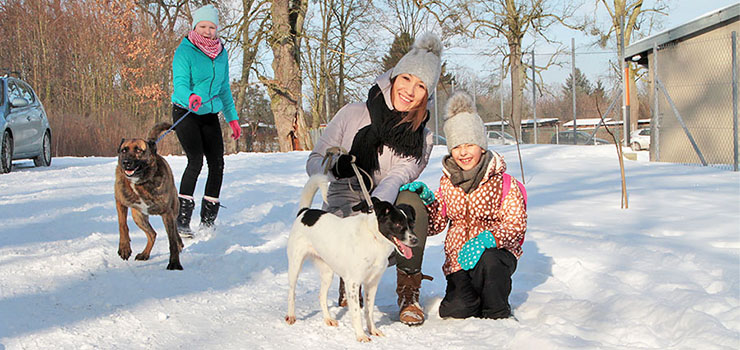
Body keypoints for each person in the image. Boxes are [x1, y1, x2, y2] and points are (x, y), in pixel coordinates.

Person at [305, 32, 442, 325]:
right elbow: (313, 163)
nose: (409, 90)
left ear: (426, 96)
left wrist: (378, 206)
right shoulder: (352, 113)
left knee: (413, 203)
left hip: (385, 205)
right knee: (345, 216)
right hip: (347, 198)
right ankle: (348, 270)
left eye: (420, 86)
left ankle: (408, 292)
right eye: (406, 79)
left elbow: (400, 174)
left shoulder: (423, 138)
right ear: (393, 77)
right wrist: (334, 167)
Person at [405, 91, 527, 319]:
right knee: (455, 310)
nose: (463, 152)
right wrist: (427, 202)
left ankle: (497, 311)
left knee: (489, 262)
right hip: (459, 259)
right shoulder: (448, 181)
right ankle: (474, 299)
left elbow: (516, 224)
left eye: (470, 144)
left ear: (481, 146)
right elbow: (437, 224)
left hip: (495, 257)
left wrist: (487, 239)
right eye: (457, 146)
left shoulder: (503, 182)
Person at [171, 4, 242, 237]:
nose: (207, 31)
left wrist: (232, 119)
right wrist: (189, 96)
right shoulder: (185, 51)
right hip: (186, 111)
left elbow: (224, 89)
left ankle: (208, 221)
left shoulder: (221, 53)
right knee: (195, 161)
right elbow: (180, 83)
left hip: (210, 113)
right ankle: (182, 219)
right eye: (203, 26)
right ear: (194, 26)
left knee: (217, 163)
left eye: (212, 27)